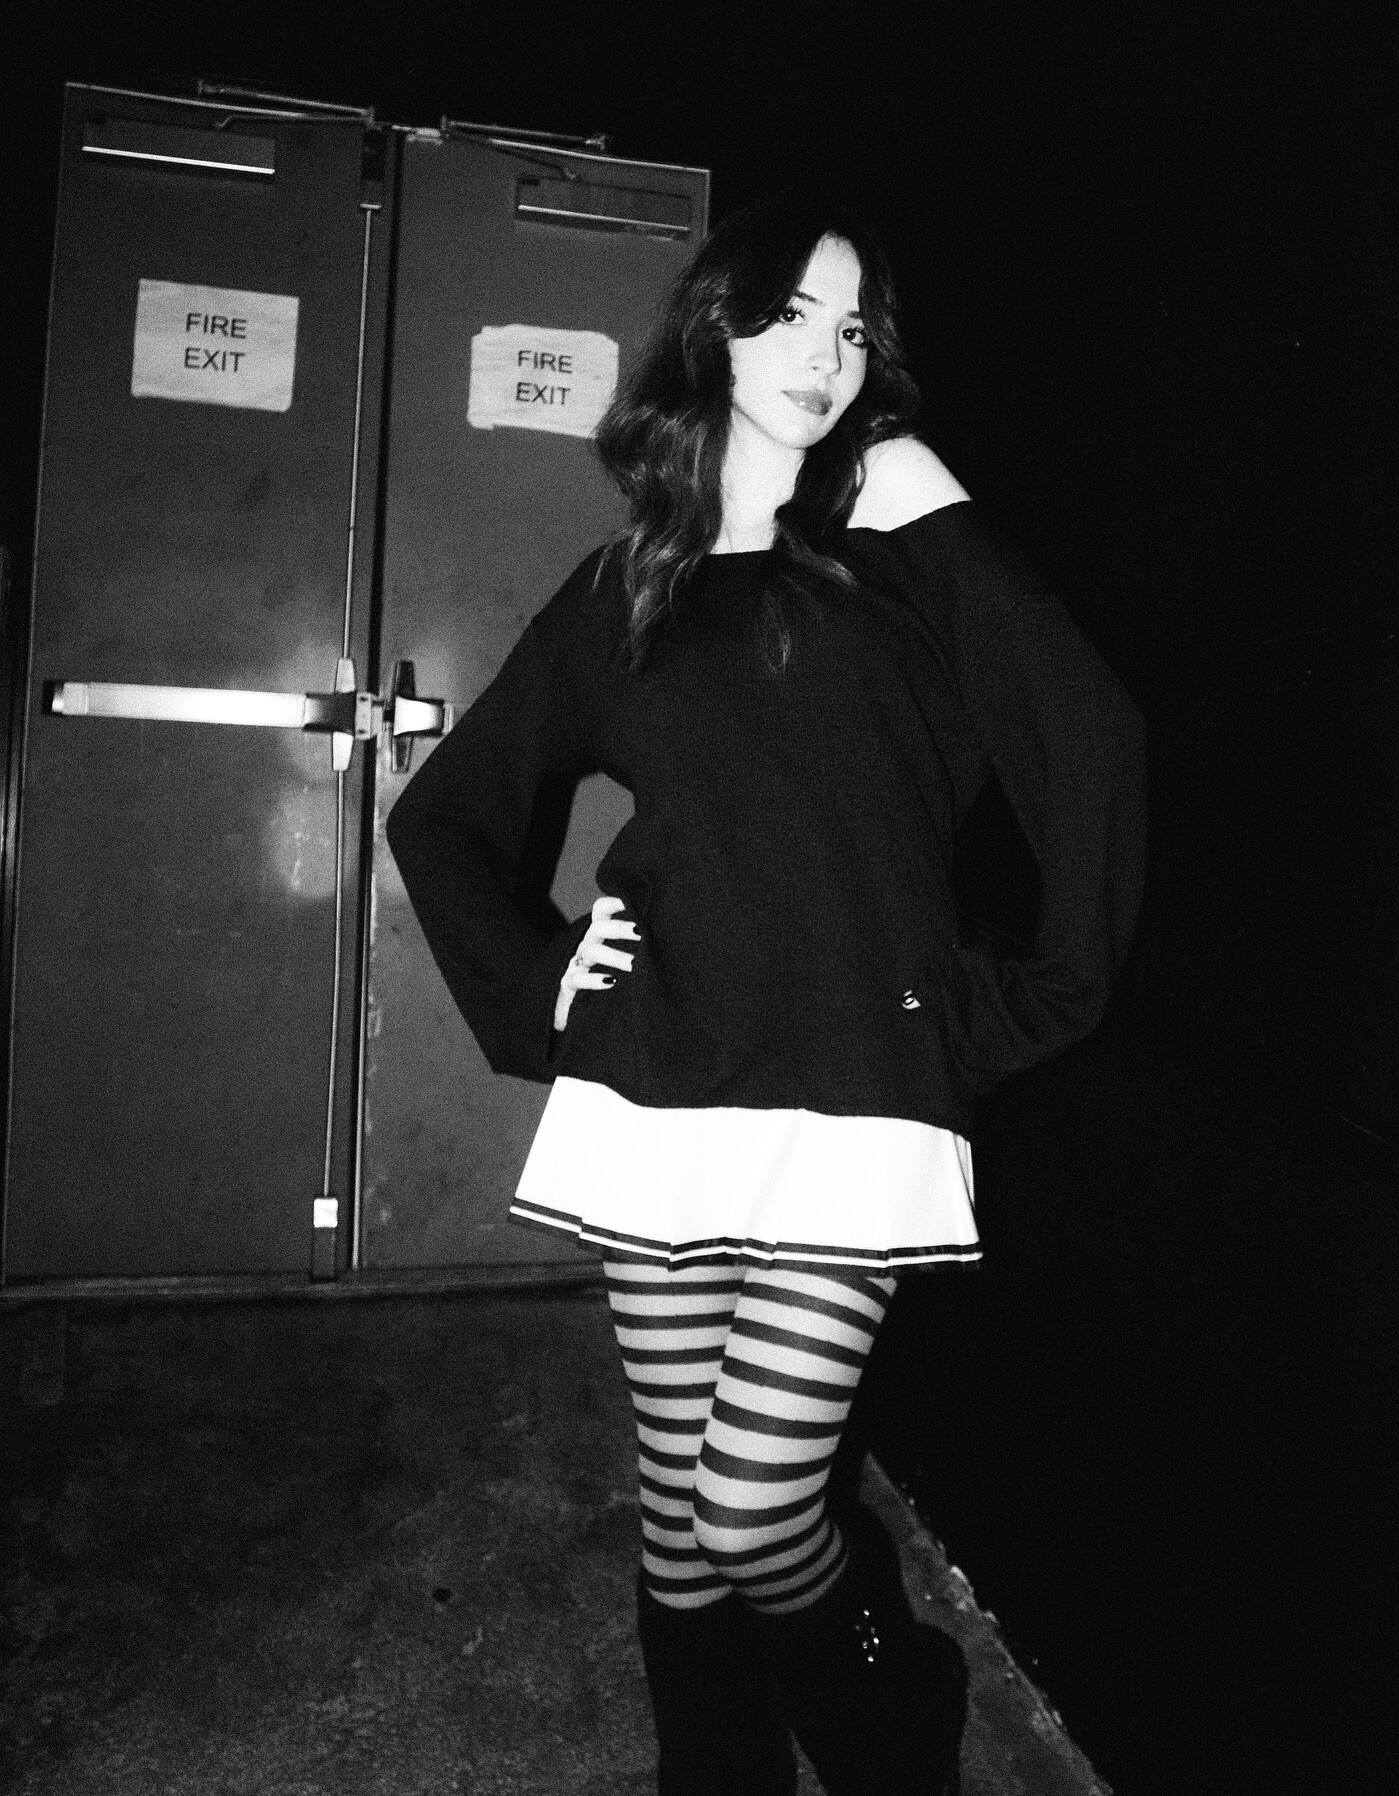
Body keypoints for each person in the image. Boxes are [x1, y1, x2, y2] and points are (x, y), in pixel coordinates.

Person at [386, 191, 1147, 1796]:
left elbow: (1083, 729)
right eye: (793, 312)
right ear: (714, 328)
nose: (826, 353)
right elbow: (443, 816)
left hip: (857, 1085)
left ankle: (893, 1718)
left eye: (852, 325)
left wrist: (1045, 990)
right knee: (681, 1514)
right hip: (660, 1078)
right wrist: (540, 982)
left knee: (752, 1508)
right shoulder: (628, 586)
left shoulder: (891, 517)